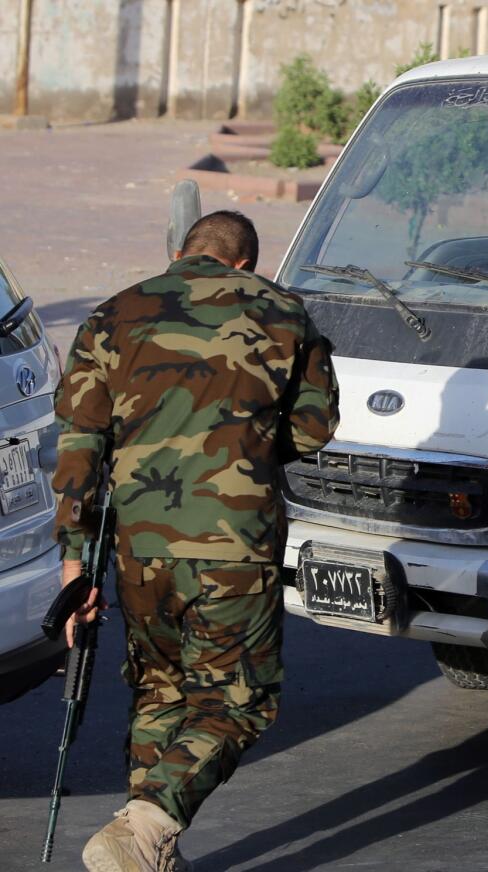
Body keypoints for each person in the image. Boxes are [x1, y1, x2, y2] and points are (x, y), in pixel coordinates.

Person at [53, 210, 340, 872]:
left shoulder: (110, 315)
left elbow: (79, 444)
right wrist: (247, 446)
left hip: (139, 548)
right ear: (244, 264)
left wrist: (75, 566)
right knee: (239, 697)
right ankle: (147, 828)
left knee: (160, 688)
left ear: (182, 253)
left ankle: (149, 852)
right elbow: (315, 428)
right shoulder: (283, 312)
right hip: (234, 542)